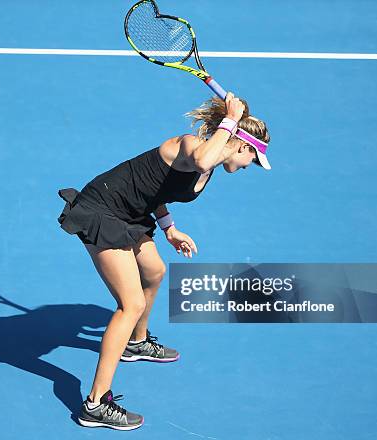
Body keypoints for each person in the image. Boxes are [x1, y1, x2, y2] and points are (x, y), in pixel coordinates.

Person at [57, 92, 271, 430]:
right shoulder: (191, 146)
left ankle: (136, 343)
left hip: (131, 213)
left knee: (154, 271)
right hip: (103, 211)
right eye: (253, 159)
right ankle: (95, 404)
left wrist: (169, 228)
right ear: (242, 145)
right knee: (131, 304)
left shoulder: (211, 163)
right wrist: (231, 119)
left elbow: (157, 189)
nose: (250, 167)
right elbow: (200, 159)